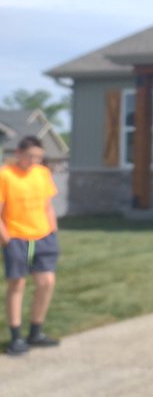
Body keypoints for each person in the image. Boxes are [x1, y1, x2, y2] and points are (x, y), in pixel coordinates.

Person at [1, 137, 61, 356]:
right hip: (16, 237)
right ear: (18, 153)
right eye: (30, 156)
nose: (34, 160)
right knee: (17, 284)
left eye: (38, 156)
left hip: (43, 237)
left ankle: (36, 332)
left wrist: (53, 230)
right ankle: (16, 338)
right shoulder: (5, 175)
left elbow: (48, 206)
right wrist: (5, 238)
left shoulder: (42, 173)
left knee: (47, 282)